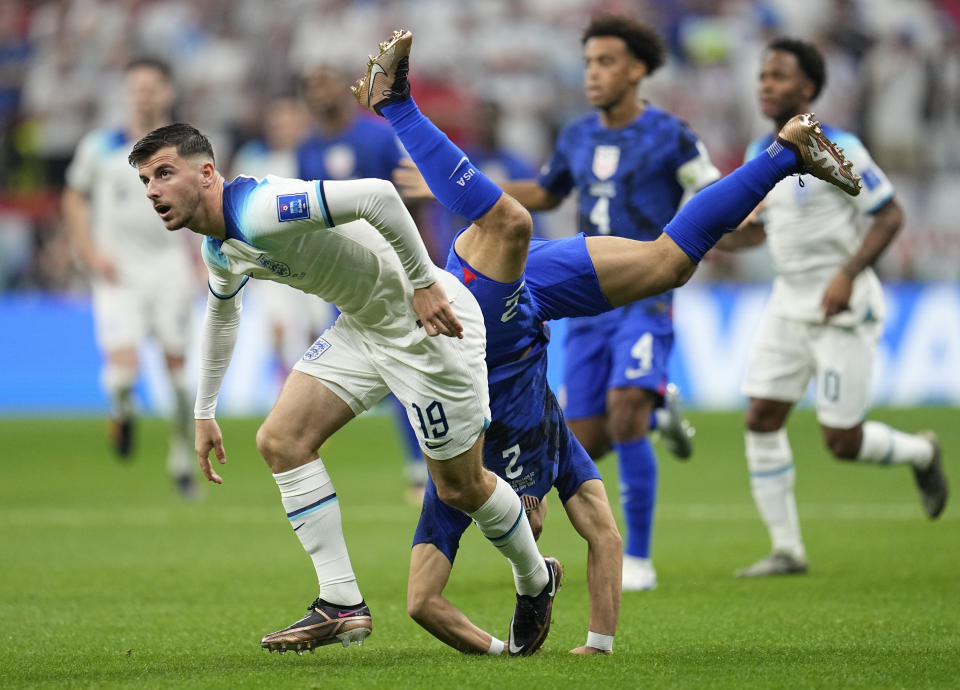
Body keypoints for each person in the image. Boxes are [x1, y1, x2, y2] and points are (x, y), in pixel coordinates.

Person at [352, 29, 862, 654]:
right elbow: (588, 537)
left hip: (478, 314)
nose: (531, 523)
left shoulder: (454, 479)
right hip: (523, 313)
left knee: (507, 221)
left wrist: (523, 588)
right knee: (666, 264)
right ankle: (787, 155)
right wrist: (585, 645)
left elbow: (427, 597)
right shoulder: (535, 453)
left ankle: (396, 102)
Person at [127, 121, 560, 657]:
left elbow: (378, 195)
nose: (152, 190)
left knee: (461, 487)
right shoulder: (219, 248)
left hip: (426, 326)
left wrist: (423, 282)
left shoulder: (263, 208)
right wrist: (204, 410)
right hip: (363, 328)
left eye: (164, 173)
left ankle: (536, 577)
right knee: (280, 440)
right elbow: (222, 314)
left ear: (207, 173)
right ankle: (342, 603)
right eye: (146, 180)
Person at [492, 14, 719, 591]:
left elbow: (708, 189)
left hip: (643, 292)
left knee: (624, 414)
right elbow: (547, 192)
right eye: (589, 62)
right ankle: (658, 403)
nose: (593, 73)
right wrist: (464, 185)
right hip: (586, 298)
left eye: (607, 62)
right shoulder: (576, 135)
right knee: (587, 437)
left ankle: (637, 558)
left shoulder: (672, 134)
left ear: (637, 70)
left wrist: (746, 218)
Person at [714, 37, 948, 579]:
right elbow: (762, 231)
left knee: (842, 441)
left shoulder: (841, 146)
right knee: (762, 416)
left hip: (841, 302)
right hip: (787, 301)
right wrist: (713, 239)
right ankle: (787, 550)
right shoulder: (760, 153)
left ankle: (920, 453)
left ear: (808, 88)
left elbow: (890, 216)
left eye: (777, 76)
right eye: (762, 75)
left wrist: (847, 273)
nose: (765, 85)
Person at [62, 56, 200, 498]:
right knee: (122, 376)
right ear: (126, 93)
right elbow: (74, 198)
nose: (143, 93)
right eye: (135, 86)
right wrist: (88, 251)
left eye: (151, 86)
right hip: (117, 272)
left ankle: (181, 460)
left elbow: (207, 199)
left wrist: (203, 257)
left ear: (167, 93)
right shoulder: (99, 147)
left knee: (179, 379)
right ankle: (122, 414)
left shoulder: (186, 148)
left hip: (168, 269)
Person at [297, 64, 429, 499]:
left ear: (341, 87)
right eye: (312, 86)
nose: (320, 93)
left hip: (392, 267)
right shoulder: (307, 148)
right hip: (343, 278)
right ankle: (304, 447)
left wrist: (423, 262)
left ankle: (425, 462)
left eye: (325, 81)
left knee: (408, 367)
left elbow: (410, 194)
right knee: (374, 371)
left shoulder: (375, 136)